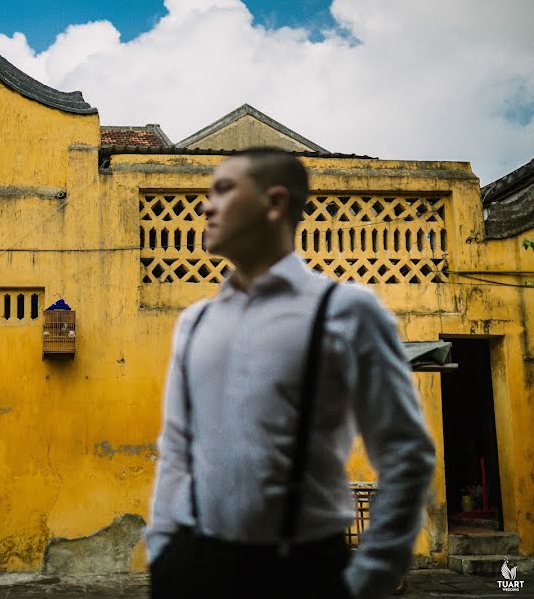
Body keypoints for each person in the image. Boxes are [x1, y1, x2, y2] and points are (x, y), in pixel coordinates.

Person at [146, 148, 435, 599]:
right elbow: (177, 450)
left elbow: (406, 453)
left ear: (275, 202)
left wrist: (369, 576)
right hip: (193, 565)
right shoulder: (195, 322)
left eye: (223, 189)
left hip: (302, 570)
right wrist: (162, 553)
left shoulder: (345, 311)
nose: (206, 206)